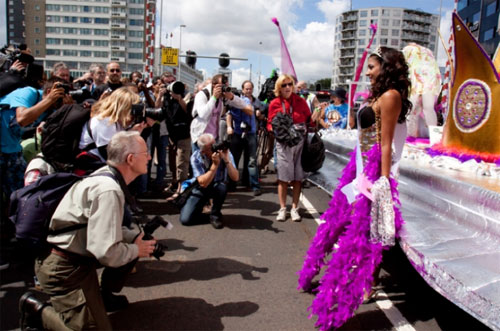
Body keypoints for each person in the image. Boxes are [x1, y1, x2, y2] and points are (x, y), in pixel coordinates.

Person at [297, 46, 411, 329]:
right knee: (337, 221)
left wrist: (383, 182)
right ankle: (314, 272)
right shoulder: (375, 96)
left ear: (386, 68)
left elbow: (385, 144)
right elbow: (363, 133)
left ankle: (358, 289)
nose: (367, 72)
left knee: (363, 235)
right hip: (358, 167)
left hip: (373, 171)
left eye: (372, 67)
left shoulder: (391, 96)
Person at [19, 131, 157, 330]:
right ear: (130, 159)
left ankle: (98, 298)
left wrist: (135, 238)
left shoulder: (106, 176)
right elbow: (106, 252)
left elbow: (100, 229)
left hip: (76, 259)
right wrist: (138, 250)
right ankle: (37, 311)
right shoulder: (108, 190)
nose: (150, 157)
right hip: (63, 269)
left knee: (134, 243)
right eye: (146, 153)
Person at [267, 74, 312, 222]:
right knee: (283, 178)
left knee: (298, 177)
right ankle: (282, 209)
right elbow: (269, 123)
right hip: (283, 143)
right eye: (284, 85)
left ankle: (294, 208)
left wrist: (316, 116)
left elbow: (309, 120)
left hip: (299, 142)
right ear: (279, 88)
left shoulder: (301, 101)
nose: (287, 87)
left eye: (290, 84)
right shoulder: (274, 103)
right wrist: (277, 130)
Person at [78, 87, 148, 171]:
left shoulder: (116, 122)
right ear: (124, 107)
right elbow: (110, 154)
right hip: (92, 167)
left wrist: (133, 132)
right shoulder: (104, 121)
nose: (133, 112)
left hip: (100, 166)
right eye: (132, 108)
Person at [179, 133, 239, 229]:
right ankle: (204, 214)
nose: (215, 148)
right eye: (211, 147)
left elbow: (235, 177)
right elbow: (203, 183)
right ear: (203, 151)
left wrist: (227, 160)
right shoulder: (196, 156)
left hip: (217, 186)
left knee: (222, 187)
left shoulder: (224, 152)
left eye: (214, 144)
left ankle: (215, 214)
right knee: (185, 220)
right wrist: (215, 165)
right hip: (201, 187)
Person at [191, 74, 251, 149]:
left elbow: (242, 104)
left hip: (214, 138)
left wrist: (232, 97)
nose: (224, 89)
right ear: (213, 85)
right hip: (201, 137)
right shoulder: (202, 95)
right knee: (199, 160)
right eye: (221, 86)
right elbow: (203, 114)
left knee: (214, 160)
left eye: (225, 86)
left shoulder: (222, 97)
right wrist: (214, 98)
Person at [226, 80, 261, 196]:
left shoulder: (246, 101)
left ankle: (253, 185)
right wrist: (229, 127)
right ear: (242, 89)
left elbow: (251, 111)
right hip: (237, 133)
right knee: (234, 159)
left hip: (250, 133)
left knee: (251, 160)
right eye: (246, 88)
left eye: (250, 88)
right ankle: (231, 184)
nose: (248, 91)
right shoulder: (232, 101)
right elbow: (228, 114)